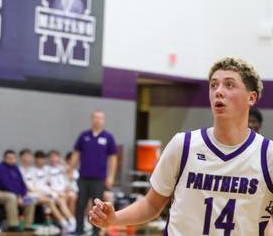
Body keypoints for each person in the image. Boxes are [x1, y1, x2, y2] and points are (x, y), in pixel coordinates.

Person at [89, 57, 273, 235]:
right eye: (214, 85)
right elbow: (152, 204)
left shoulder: (268, 155)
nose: (218, 91)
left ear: (252, 97)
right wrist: (114, 219)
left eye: (229, 84)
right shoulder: (183, 145)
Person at [68, 111, 117, 234]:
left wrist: (111, 176)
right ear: (92, 119)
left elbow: (113, 158)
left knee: (98, 207)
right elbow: (76, 153)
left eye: (100, 118)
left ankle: (96, 231)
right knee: (80, 205)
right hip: (83, 178)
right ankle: (79, 230)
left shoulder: (108, 137)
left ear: (104, 120)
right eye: (95, 117)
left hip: (99, 179)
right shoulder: (84, 135)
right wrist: (70, 169)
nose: (98, 120)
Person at [0, 149, 36, 232]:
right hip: (0, 193)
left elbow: (22, 183)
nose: (12, 160)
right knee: (11, 197)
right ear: (4, 159)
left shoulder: (15, 168)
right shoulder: (0, 169)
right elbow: (6, 185)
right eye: (9, 158)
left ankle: (27, 225)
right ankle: (13, 225)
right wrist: (18, 196)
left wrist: (24, 194)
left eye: (13, 158)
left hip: (16, 194)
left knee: (30, 200)